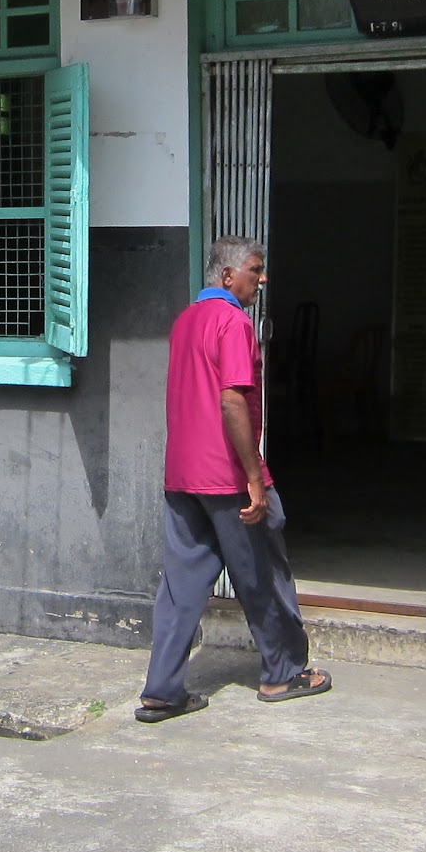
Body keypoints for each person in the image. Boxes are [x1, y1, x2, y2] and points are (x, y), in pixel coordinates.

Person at [136, 236, 330, 723]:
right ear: (227, 276)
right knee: (262, 573)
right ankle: (283, 672)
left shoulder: (185, 322)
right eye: (254, 270)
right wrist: (254, 479)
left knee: (181, 585)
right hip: (226, 477)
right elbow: (231, 401)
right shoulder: (233, 322)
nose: (261, 279)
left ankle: (162, 689)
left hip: (182, 475)